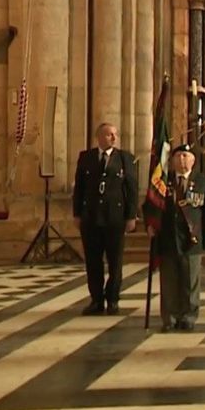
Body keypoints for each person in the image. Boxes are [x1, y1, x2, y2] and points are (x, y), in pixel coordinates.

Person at [72, 123, 139, 315]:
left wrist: (131, 215)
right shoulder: (86, 158)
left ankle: (113, 299)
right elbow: (79, 189)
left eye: (115, 134)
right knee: (93, 262)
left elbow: (132, 189)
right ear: (100, 136)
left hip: (115, 218)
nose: (114, 138)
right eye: (110, 134)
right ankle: (96, 300)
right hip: (91, 217)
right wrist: (77, 213)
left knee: (115, 261)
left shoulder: (124, 158)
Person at [154, 144, 205, 331]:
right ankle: (170, 317)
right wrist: (151, 225)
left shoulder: (202, 181)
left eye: (186, 156)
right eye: (178, 155)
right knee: (169, 280)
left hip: (192, 238)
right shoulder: (163, 181)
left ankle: (188, 315)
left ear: (193, 160)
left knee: (191, 280)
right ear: (172, 160)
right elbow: (152, 206)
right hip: (168, 236)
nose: (182, 159)